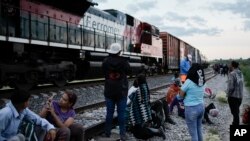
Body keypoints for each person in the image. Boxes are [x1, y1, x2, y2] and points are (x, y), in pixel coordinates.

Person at [102, 43, 131, 140]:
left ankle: (107, 132)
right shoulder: (124, 61)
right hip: (121, 92)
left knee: (109, 112)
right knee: (121, 113)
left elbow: (103, 71)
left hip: (109, 91)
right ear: (119, 51)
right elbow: (129, 71)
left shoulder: (105, 61)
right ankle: (122, 134)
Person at [126, 75, 166, 140]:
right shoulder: (145, 88)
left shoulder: (138, 90)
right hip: (145, 116)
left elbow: (129, 102)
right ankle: (157, 128)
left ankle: (158, 131)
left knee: (138, 134)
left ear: (138, 80)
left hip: (139, 118)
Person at [180, 63, 206, 141]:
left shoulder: (189, 81)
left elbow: (180, 95)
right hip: (201, 107)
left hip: (191, 109)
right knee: (199, 130)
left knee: (193, 134)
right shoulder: (202, 82)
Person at [227, 61, 243, 125]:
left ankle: (236, 124)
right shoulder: (240, 73)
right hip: (240, 96)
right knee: (236, 111)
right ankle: (234, 122)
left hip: (233, 97)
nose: (229, 65)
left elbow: (231, 87)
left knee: (234, 112)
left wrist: (228, 94)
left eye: (230, 64)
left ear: (232, 66)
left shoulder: (232, 74)